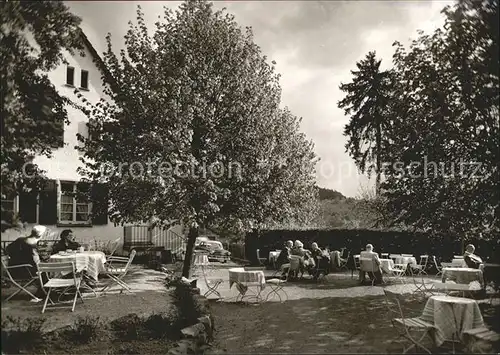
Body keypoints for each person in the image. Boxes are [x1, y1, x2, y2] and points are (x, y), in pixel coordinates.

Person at [5, 225, 48, 298]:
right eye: (44, 234)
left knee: (44, 269)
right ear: (40, 235)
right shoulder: (32, 245)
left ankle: (43, 293)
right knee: (46, 271)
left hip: (13, 269)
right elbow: (36, 262)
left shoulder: (20, 240)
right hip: (25, 271)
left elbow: (7, 249)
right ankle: (43, 294)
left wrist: (12, 258)